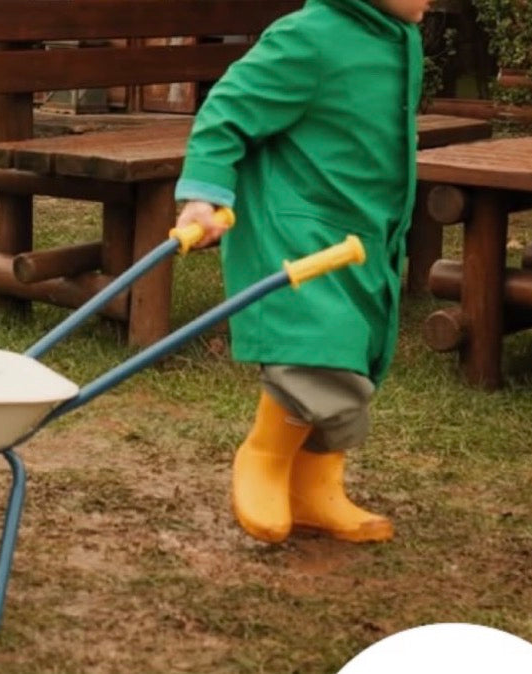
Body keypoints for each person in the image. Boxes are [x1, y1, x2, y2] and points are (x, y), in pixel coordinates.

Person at [174, 0, 430, 544]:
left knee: (355, 353)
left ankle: (316, 486)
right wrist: (203, 195)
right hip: (298, 230)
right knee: (317, 346)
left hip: (362, 230)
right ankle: (264, 458)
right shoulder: (309, 36)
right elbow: (227, 112)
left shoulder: (396, 37)